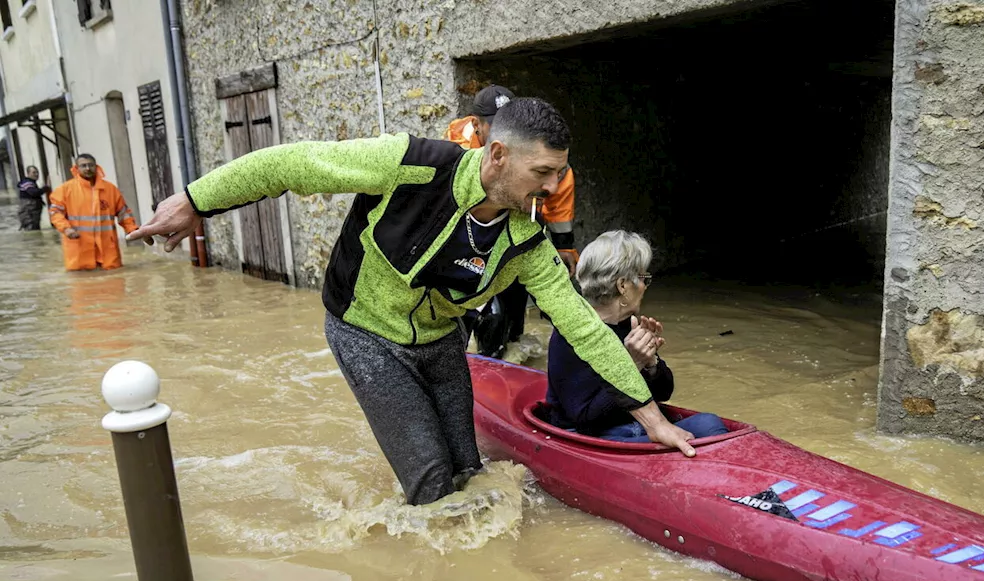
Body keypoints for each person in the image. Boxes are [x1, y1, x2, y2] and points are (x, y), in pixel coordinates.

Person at [132, 98, 698, 506]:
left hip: (439, 342)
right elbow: (291, 164)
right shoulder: (410, 163)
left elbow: (582, 325)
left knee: (470, 474)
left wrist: (650, 420)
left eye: (559, 173)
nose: (552, 189)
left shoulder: (526, 242)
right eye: (542, 172)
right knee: (431, 485)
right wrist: (194, 201)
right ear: (498, 155)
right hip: (364, 332)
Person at [543, 230, 729, 443]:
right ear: (623, 286)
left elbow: (664, 393)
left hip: (634, 425)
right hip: (592, 435)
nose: (645, 286)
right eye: (644, 278)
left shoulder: (627, 325)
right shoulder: (568, 336)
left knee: (708, 423)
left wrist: (651, 364)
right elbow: (586, 418)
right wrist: (633, 364)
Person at [446, 85, 579, 358]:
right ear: (477, 125)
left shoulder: (543, 162)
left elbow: (559, 198)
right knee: (475, 313)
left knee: (514, 304)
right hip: (471, 243)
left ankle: (512, 353)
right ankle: (472, 363)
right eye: (493, 127)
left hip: (520, 234)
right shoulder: (454, 152)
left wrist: (565, 247)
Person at [49, 154, 138, 271]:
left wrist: (132, 230)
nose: (87, 168)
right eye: (83, 165)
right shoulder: (65, 190)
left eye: (90, 165)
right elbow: (55, 213)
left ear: (96, 167)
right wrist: (66, 229)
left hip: (107, 250)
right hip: (79, 249)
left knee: (114, 283)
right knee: (81, 285)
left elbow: (124, 213)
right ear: (76, 168)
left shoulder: (110, 189)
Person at [16, 166, 50, 231]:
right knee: (31, 230)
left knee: (34, 230)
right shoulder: (26, 183)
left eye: (37, 172)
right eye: (34, 172)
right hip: (28, 215)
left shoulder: (32, 183)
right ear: (28, 173)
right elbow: (33, 193)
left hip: (32, 215)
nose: (36, 174)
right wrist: (46, 187)